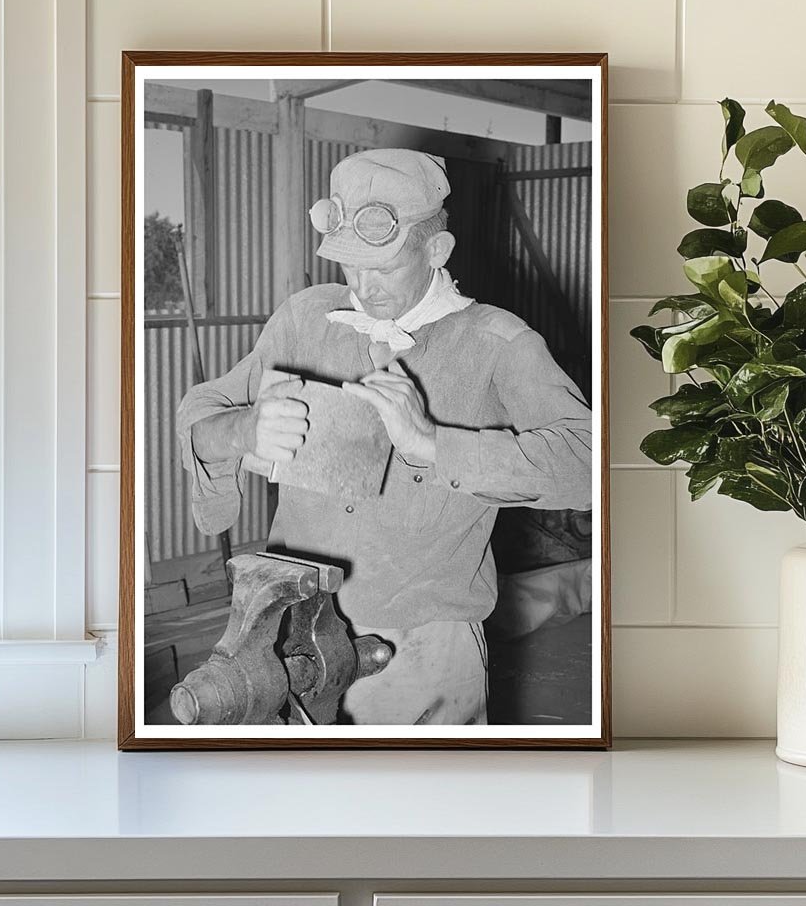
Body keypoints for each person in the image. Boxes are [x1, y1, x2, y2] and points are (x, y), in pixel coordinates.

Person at [176, 148, 592, 725]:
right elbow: (204, 406)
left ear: (437, 250)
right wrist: (243, 428)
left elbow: (591, 463)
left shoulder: (497, 343)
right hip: (291, 632)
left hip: (423, 658)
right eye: (350, 266)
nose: (363, 287)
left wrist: (432, 443)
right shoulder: (305, 318)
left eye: (385, 267)